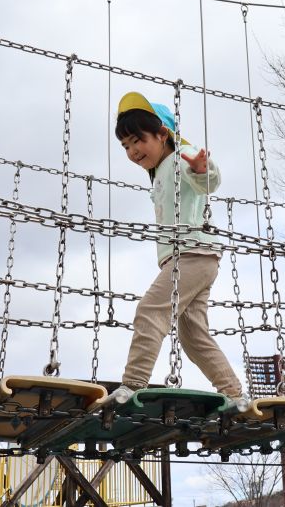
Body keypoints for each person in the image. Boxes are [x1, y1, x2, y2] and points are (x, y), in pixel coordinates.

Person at [103, 91, 243, 404]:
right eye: (126, 145)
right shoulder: (160, 172)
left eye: (138, 140)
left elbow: (208, 182)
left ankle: (133, 384)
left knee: (150, 310)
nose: (132, 151)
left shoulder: (181, 158)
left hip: (192, 254)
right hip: (191, 258)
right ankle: (234, 394)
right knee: (193, 335)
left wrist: (201, 168)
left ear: (162, 134)